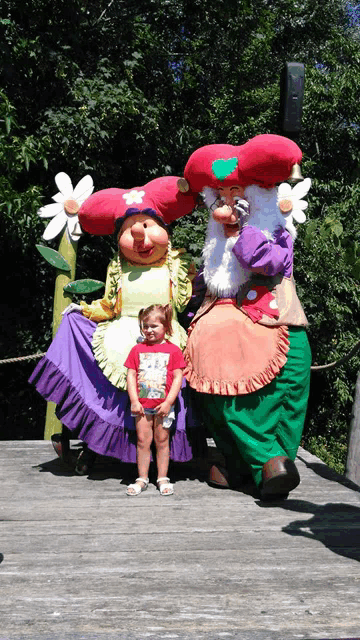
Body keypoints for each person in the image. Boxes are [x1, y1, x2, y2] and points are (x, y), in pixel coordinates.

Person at [29, 176, 200, 474]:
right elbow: (110, 305)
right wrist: (82, 310)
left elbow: (192, 299)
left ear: (164, 230)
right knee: (114, 383)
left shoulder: (178, 266)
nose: (139, 236)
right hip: (123, 336)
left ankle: (167, 454)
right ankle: (106, 446)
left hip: (167, 338)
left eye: (147, 227)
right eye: (129, 231)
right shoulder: (119, 269)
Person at [180, 134, 312, 501]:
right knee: (210, 346)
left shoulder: (276, 233)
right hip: (222, 318)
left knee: (292, 364)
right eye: (219, 196)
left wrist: (238, 230)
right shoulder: (214, 252)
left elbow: (267, 262)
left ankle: (266, 463)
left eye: (235, 195)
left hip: (271, 314)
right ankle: (257, 464)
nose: (225, 204)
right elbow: (206, 282)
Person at [124, 304, 186, 496]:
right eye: (145, 326)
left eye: (154, 326)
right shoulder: (136, 350)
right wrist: (134, 401)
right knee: (143, 441)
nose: (149, 330)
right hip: (142, 406)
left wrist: (168, 402)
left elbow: (178, 378)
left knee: (162, 440)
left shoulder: (174, 351)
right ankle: (142, 478)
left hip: (163, 407)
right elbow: (131, 375)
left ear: (165, 327)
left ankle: (162, 478)